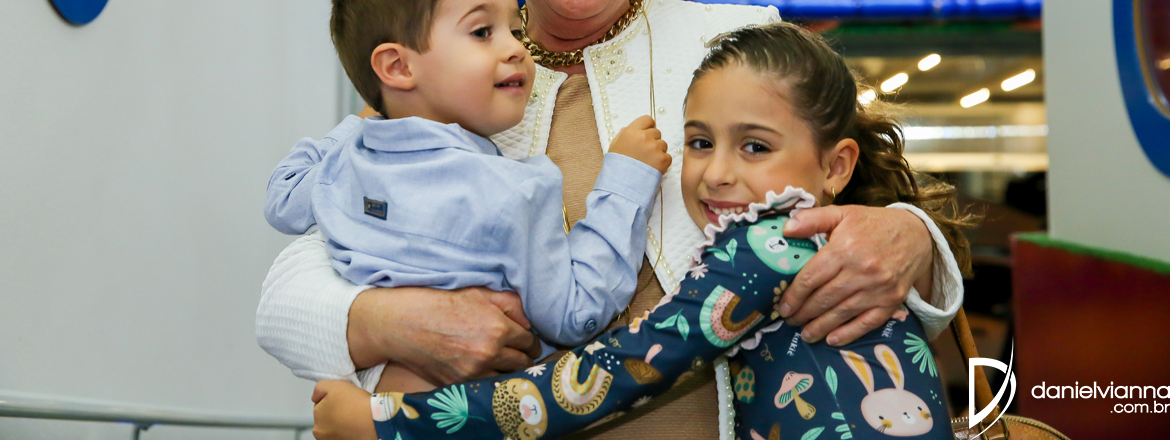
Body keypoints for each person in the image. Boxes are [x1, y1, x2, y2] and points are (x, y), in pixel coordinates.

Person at [256, 0, 964, 439]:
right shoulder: (445, 83)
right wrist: (391, 322)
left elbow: (878, 204)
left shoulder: (737, 42)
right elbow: (286, 295)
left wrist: (910, 237)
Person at [309, 23, 966, 440]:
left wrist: (388, 423)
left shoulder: (766, 250)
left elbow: (612, 376)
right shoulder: (818, 245)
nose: (717, 173)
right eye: (700, 142)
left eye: (756, 147)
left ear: (836, 166)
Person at [264, 0, 673, 390]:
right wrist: (626, 180)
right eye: (482, 32)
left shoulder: (342, 167)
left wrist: (367, 121)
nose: (516, 49)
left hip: (374, 401)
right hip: (469, 412)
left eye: (516, 31)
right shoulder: (511, 192)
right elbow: (575, 314)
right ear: (398, 68)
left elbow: (283, 198)